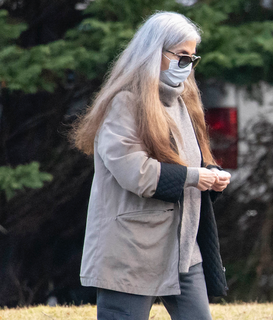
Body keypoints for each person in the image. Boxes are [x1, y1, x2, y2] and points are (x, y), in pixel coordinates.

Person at [70, 11, 230, 320]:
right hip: (131, 250)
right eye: (181, 56)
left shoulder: (184, 103)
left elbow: (191, 164)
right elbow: (135, 172)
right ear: (153, 52)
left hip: (184, 248)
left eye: (192, 59)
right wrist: (196, 177)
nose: (187, 66)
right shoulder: (123, 103)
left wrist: (212, 175)